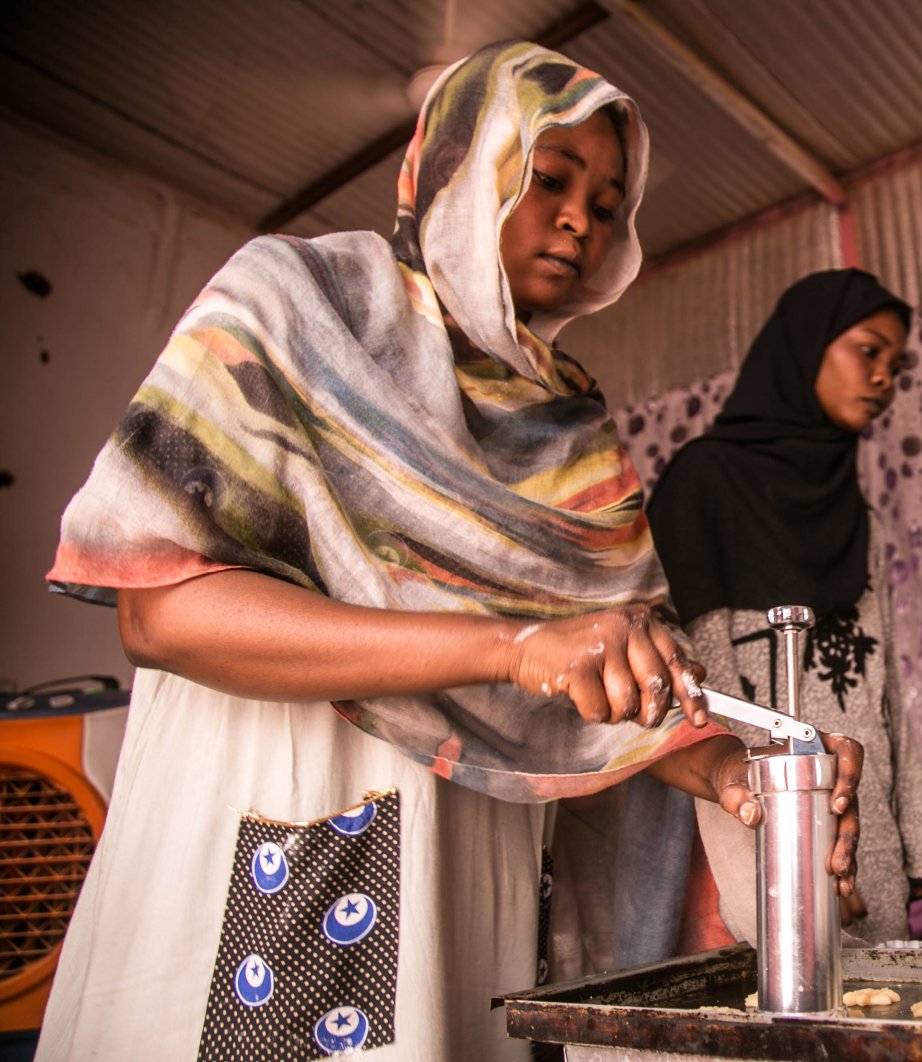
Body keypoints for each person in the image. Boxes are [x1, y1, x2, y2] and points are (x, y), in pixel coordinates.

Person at [38, 42, 860, 1060]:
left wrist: (734, 767)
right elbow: (158, 611)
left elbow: (619, 690)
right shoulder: (293, 304)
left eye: (608, 206)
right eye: (544, 179)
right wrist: (511, 650)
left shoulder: (569, 437)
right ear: (457, 175)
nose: (579, 222)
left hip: (465, 862)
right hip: (274, 813)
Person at [646, 269, 922, 946]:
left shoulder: (858, 518)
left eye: (895, 365)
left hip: (864, 836)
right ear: (803, 347)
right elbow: (705, 695)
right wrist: (784, 847)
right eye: (867, 351)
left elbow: (888, 696)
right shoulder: (706, 484)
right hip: (759, 831)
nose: (883, 379)